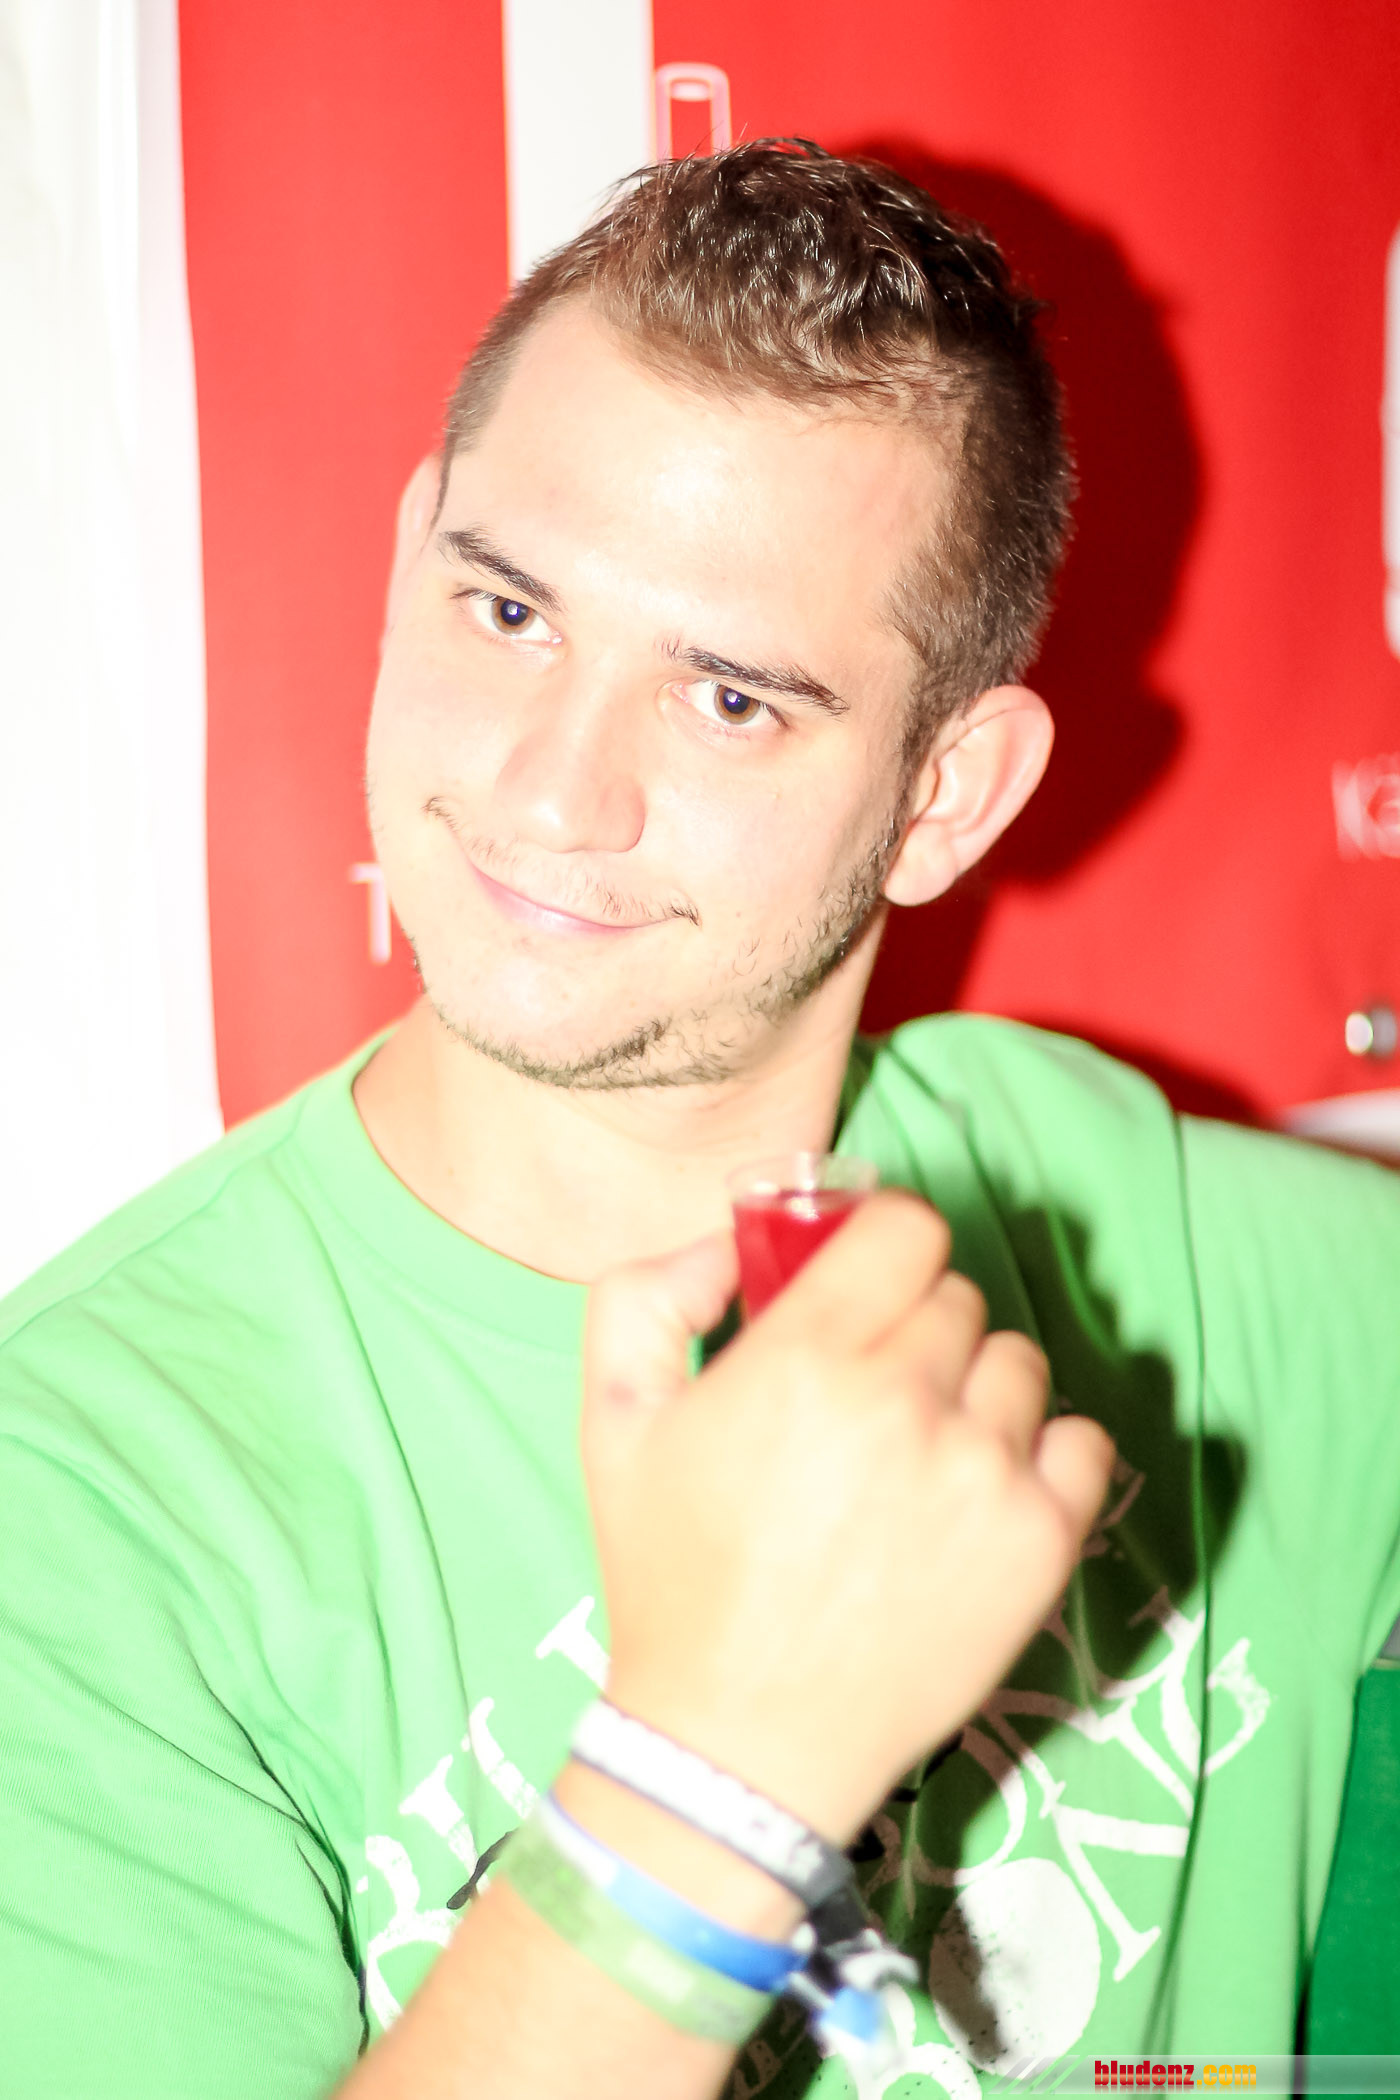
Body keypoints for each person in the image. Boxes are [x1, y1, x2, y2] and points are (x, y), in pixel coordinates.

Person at [1, 142, 1398, 2100]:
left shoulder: (1154, 1249)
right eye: (508, 611)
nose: (550, 792)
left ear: (945, 798)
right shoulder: (76, 1503)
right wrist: (707, 1778)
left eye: (729, 699)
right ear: (411, 558)